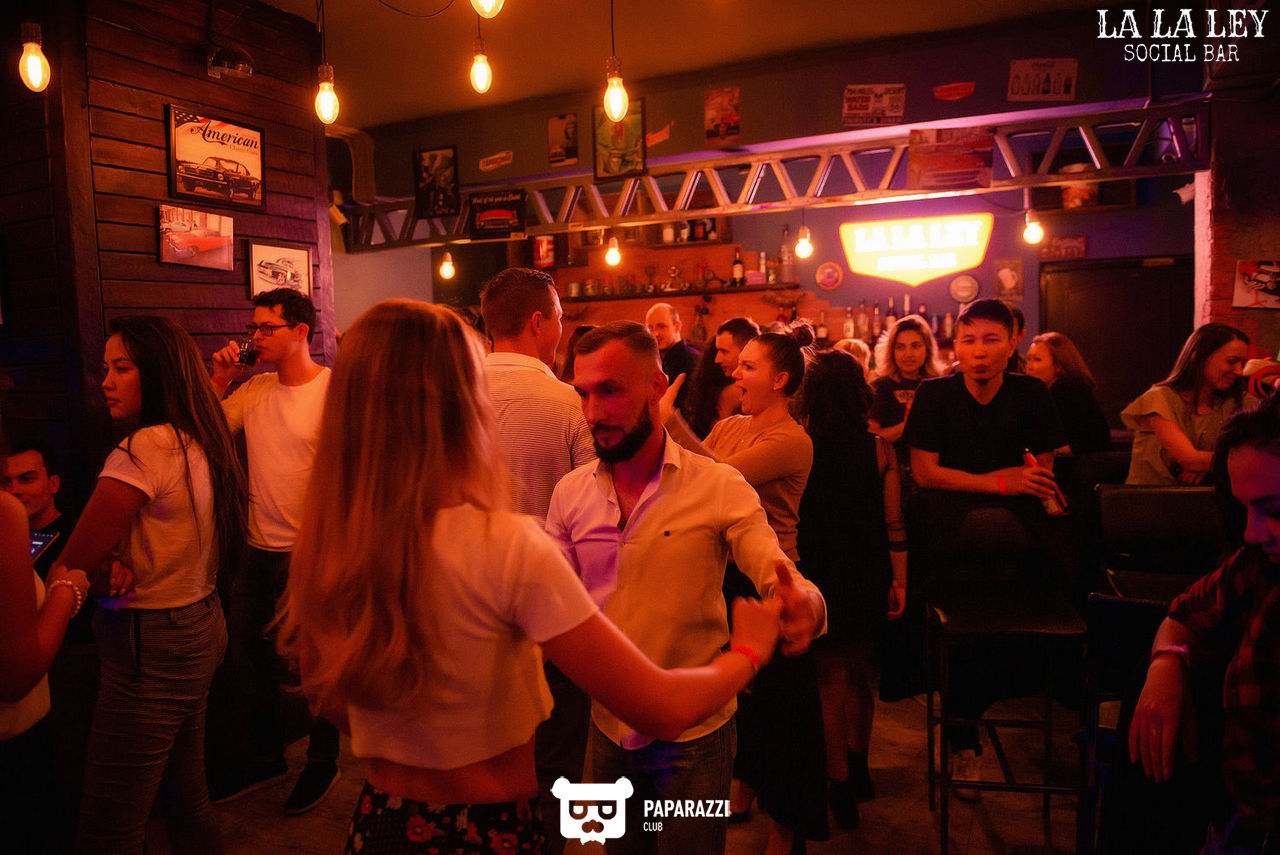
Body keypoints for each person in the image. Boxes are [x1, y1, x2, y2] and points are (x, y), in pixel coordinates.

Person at [274, 300, 784, 855]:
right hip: (486, 830)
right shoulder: (505, 546)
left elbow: (326, 697)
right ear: (463, 404)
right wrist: (749, 651)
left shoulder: (331, 545)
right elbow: (660, 707)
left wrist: (414, 730)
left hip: (382, 823)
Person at [547, 321, 827, 855]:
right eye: (583, 393)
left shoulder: (717, 484)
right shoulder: (570, 494)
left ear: (657, 386)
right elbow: (553, 600)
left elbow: (772, 564)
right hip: (606, 732)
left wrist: (806, 603)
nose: (593, 412)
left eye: (610, 391)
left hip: (696, 742)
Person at [56, 315, 246, 854]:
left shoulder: (143, 449)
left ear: (158, 373)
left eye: (121, 368)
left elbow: (70, 563)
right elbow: (166, 529)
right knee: (187, 801)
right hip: (201, 623)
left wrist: (92, 567)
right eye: (105, 369)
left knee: (108, 830)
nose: (106, 382)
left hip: (152, 644)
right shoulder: (200, 433)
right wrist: (114, 555)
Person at [902, 298, 1069, 787]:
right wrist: (1001, 482)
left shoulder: (1031, 393)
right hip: (950, 538)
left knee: (1030, 595)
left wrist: (1003, 483)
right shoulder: (935, 394)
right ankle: (964, 734)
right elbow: (924, 473)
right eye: (968, 340)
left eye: (991, 340)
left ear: (1013, 342)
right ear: (955, 344)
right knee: (964, 615)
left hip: (1013, 537)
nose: (978, 352)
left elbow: (1039, 474)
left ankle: (972, 722)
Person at [667, 330, 820, 854]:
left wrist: (670, 421)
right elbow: (689, 477)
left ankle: (785, 832)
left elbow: (717, 477)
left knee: (784, 715)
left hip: (773, 576)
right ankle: (745, 789)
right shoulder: (732, 424)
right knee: (744, 707)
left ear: (780, 380)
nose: (734, 373)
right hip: (724, 573)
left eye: (749, 366)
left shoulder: (793, 440)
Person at [206, 288, 340, 814]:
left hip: (313, 552)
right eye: (254, 327)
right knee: (250, 661)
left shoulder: (334, 391)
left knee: (317, 667)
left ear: (301, 331)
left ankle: (323, 762)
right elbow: (206, 433)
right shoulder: (256, 389)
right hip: (256, 550)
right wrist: (220, 380)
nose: (256, 337)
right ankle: (267, 758)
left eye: (268, 327)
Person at [1129, 391, 1280, 853]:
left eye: (1273, 509)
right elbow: (1184, 615)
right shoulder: (1259, 566)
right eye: (1244, 509)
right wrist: (1167, 665)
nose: (1252, 531)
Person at [479, 268, 596, 852]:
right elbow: (596, 506)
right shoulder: (568, 403)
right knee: (555, 755)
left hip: (470, 602)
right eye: (559, 318)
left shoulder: (454, 395)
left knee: (483, 747)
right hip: (552, 606)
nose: (561, 329)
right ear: (536, 322)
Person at [796, 349, 907, 833]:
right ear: (859, 393)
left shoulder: (800, 447)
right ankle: (860, 768)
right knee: (861, 674)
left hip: (820, 571)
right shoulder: (879, 449)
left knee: (829, 682)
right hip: (868, 569)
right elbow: (894, 522)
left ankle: (838, 785)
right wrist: (900, 579)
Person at [1, 404, 92, 855]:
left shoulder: (78, 533)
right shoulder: (6, 525)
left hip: (70, 675)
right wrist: (65, 593)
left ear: (52, 483)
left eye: (27, 478)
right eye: (6, 481)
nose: (16, 491)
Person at [1122, 323, 1251, 486]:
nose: (1239, 371)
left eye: (1243, 364)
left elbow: (1268, 453)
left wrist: (1209, 467)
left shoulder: (1237, 401)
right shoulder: (1158, 398)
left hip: (1203, 497)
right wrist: (1235, 463)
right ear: (1199, 357)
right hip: (1149, 497)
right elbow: (1191, 460)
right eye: (1232, 361)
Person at [869, 314, 945, 493]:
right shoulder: (881, 387)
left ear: (927, 349)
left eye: (916, 346)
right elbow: (871, 439)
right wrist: (910, 424)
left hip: (933, 477)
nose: (908, 354)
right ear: (892, 351)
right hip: (892, 479)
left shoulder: (938, 386)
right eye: (900, 347)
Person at [1024, 331, 1112, 456]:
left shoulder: (1069, 395)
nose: (1029, 366)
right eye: (1028, 359)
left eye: (1037, 360)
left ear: (1059, 365)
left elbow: (1090, 442)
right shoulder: (1045, 394)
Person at [680, 317, 761, 439]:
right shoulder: (719, 383)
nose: (717, 359)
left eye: (724, 351)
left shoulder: (736, 393)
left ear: (746, 350)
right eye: (718, 351)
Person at [645, 302, 700, 408]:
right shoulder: (651, 361)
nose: (655, 334)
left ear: (677, 327)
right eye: (650, 328)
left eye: (661, 327)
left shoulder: (692, 360)